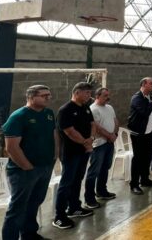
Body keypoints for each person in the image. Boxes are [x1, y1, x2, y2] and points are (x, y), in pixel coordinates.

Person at [1, 85, 58, 239]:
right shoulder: (19, 116)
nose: (48, 98)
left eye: (49, 95)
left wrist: (55, 155)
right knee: (18, 208)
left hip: (45, 166)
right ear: (31, 97)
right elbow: (11, 147)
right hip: (24, 171)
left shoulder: (49, 113)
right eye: (44, 95)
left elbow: (53, 135)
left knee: (35, 202)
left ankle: (29, 234)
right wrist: (27, 167)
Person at [54, 82, 96, 229]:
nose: (89, 96)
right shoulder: (65, 110)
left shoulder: (85, 108)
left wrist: (91, 139)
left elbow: (92, 124)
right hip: (71, 153)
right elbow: (69, 131)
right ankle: (59, 215)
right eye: (87, 93)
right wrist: (86, 142)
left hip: (83, 151)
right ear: (77, 92)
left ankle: (74, 207)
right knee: (66, 183)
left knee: (78, 180)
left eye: (90, 93)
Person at [84, 88, 119, 210]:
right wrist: (109, 136)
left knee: (105, 167)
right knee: (94, 171)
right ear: (97, 96)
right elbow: (96, 127)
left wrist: (114, 134)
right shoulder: (93, 109)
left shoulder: (109, 108)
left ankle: (102, 191)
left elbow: (115, 121)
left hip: (110, 143)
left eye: (108, 95)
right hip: (99, 145)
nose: (108, 98)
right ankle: (89, 198)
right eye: (105, 95)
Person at [127, 77, 152, 195]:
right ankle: (134, 184)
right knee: (138, 159)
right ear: (144, 84)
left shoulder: (148, 97)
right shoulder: (137, 98)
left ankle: (144, 180)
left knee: (147, 157)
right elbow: (145, 113)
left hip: (148, 132)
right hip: (138, 133)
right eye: (151, 83)